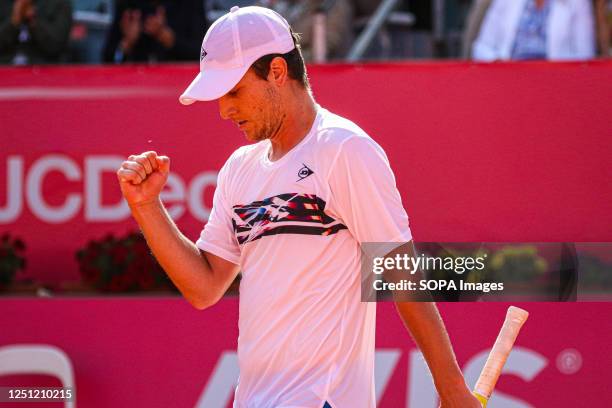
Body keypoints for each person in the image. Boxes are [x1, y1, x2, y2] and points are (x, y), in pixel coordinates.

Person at [117, 6, 480, 407]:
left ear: (276, 71)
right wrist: (147, 206)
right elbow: (204, 287)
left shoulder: (344, 149)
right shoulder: (239, 168)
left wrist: (451, 389)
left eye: (234, 92)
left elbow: (400, 272)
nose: (224, 110)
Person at [472, 0, 596, 61]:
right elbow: (481, 47)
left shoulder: (577, 3)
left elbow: (585, 56)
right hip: (509, 80)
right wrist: (498, 62)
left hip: (556, 85)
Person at [102, 0, 206, 63]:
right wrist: (126, 44)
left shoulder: (189, 4)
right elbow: (108, 60)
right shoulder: (128, 7)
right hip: (135, 83)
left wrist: (170, 40)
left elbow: (204, 56)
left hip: (177, 84)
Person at [0, 0, 72, 65]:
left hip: (46, 67)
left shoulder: (59, 3)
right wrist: (14, 21)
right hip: (5, 66)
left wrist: (33, 22)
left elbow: (56, 46)